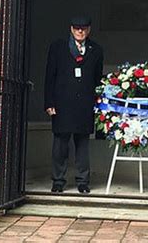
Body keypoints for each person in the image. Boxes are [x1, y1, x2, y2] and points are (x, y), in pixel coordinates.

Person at [44, 15, 103, 194]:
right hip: (62, 104)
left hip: (84, 104)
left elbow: (97, 79)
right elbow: (49, 77)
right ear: (71, 28)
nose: (80, 31)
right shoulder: (58, 47)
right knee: (60, 145)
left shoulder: (96, 50)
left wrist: (97, 101)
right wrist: (49, 102)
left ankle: (83, 181)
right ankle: (58, 181)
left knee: (83, 145)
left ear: (89, 30)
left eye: (84, 28)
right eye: (77, 28)